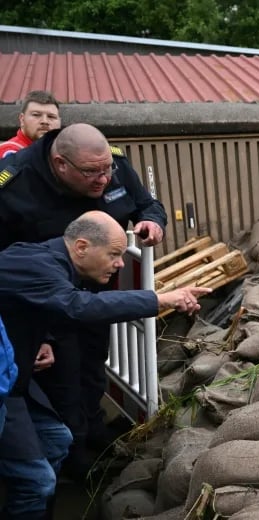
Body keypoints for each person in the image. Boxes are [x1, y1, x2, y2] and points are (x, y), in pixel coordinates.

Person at [0, 211, 209, 520]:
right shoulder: (36, 264)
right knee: (38, 480)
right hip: (8, 385)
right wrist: (160, 299)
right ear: (82, 247)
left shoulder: (46, 262)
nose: (121, 264)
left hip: (14, 378)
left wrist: (40, 338)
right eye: (114, 254)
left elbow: (27, 304)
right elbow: (77, 307)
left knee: (56, 440)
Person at [0, 123, 167, 479]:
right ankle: (71, 466)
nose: (104, 179)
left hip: (95, 297)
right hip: (41, 307)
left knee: (93, 367)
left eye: (107, 169)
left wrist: (152, 221)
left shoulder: (114, 166)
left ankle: (94, 436)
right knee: (61, 382)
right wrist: (34, 334)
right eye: (92, 172)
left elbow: (148, 204)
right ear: (61, 165)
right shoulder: (15, 184)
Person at [0, 90, 60, 159]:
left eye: (51, 116)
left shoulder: (61, 153)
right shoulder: (10, 153)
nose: (45, 121)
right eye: (36, 115)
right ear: (22, 119)